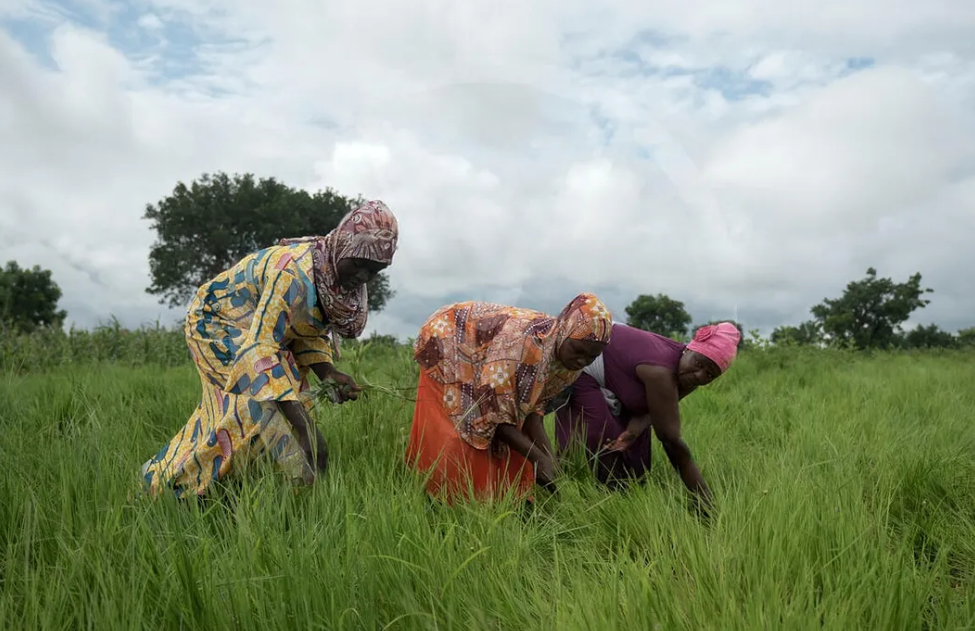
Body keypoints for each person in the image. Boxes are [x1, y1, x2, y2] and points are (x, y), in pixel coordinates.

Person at [140, 200, 399, 500]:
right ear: (343, 244)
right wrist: (307, 431)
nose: (363, 277)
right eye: (358, 263)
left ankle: (263, 490)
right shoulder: (292, 273)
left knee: (279, 404)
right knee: (256, 408)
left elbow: (302, 325)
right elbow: (259, 350)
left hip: (254, 332)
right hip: (215, 322)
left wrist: (328, 373)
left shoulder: (328, 278)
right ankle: (170, 493)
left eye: (374, 271)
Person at [405, 293, 614, 505]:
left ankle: (501, 500)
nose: (582, 361)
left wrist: (550, 462)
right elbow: (492, 414)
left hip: (483, 356)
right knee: (462, 428)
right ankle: (444, 501)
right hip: (448, 338)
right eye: (578, 351)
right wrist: (538, 459)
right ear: (565, 331)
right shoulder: (522, 343)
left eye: (591, 357)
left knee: (514, 433)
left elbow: (532, 414)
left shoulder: (568, 363)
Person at [552, 321, 740, 510]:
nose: (699, 375)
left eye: (710, 375)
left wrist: (632, 432)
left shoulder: (688, 377)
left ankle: (620, 503)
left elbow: (654, 411)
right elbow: (670, 439)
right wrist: (704, 497)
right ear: (689, 349)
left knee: (636, 467)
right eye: (699, 364)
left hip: (622, 374)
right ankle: (579, 500)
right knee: (601, 439)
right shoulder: (660, 371)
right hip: (589, 362)